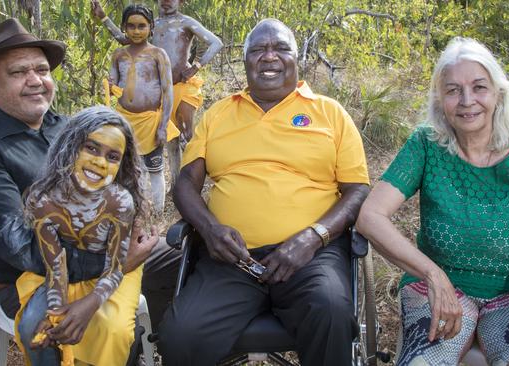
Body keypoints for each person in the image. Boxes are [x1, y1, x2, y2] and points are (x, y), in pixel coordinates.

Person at [0, 17, 179, 352]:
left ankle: (158, 344)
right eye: (18, 72)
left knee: (183, 258)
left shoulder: (67, 127)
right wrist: (115, 263)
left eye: (41, 70)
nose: (35, 81)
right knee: (81, 329)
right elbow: (23, 248)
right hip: (37, 280)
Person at [157, 19, 370, 366]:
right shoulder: (219, 114)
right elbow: (185, 184)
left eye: (280, 48)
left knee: (330, 310)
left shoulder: (330, 113)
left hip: (312, 257)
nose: (269, 57)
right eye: (258, 49)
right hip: (232, 259)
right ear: (245, 61)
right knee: (180, 336)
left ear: (297, 58)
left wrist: (313, 237)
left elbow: (357, 190)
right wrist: (210, 230)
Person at [355, 37, 509, 366]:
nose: (467, 101)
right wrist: (434, 275)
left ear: (498, 91)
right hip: (442, 291)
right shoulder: (427, 144)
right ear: (440, 100)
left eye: (479, 87)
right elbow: (370, 216)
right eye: (453, 90)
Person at [15, 106, 146, 365]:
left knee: (112, 330)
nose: (99, 162)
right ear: (70, 146)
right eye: (92, 148)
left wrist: (91, 303)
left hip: (114, 271)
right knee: (34, 326)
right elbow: (55, 266)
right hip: (64, 272)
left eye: (112, 156)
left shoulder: (119, 202)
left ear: (121, 164)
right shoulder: (43, 200)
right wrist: (55, 311)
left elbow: (116, 266)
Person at [92, 0, 223, 190]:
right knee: (170, 138)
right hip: (161, 92)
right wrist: (104, 18)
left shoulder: (185, 22)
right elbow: (125, 39)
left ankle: (199, 182)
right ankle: (177, 184)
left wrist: (196, 67)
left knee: (187, 136)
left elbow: (216, 43)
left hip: (183, 86)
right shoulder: (151, 25)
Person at [108, 4, 174, 212]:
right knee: (126, 167)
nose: (136, 31)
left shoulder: (158, 54)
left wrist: (163, 125)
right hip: (124, 120)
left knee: (155, 168)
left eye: (141, 26)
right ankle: (130, 209)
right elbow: (114, 86)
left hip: (151, 122)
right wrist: (110, 87)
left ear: (151, 27)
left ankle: (157, 212)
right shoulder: (119, 55)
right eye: (131, 26)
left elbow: (168, 92)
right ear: (124, 28)